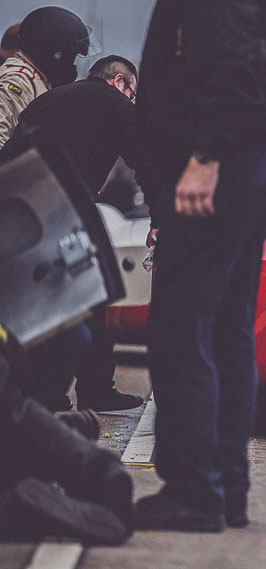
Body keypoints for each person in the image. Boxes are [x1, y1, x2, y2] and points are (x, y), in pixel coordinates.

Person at [133, 0, 266, 532]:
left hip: (218, 170)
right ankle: (225, 487)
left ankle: (195, 491)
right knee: (226, 333)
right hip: (248, 164)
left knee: (183, 334)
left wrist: (205, 156)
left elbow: (232, 61)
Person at [4, 55, 146, 414]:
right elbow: (145, 157)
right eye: (131, 91)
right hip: (68, 215)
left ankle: (43, 395)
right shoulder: (113, 101)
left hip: (24, 215)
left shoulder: (45, 99)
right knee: (91, 298)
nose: (130, 98)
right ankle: (96, 390)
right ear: (118, 82)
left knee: (40, 307)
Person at [0, 7, 92, 147]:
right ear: (52, 51)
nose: (72, 65)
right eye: (71, 56)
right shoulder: (17, 81)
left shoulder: (36, 78)